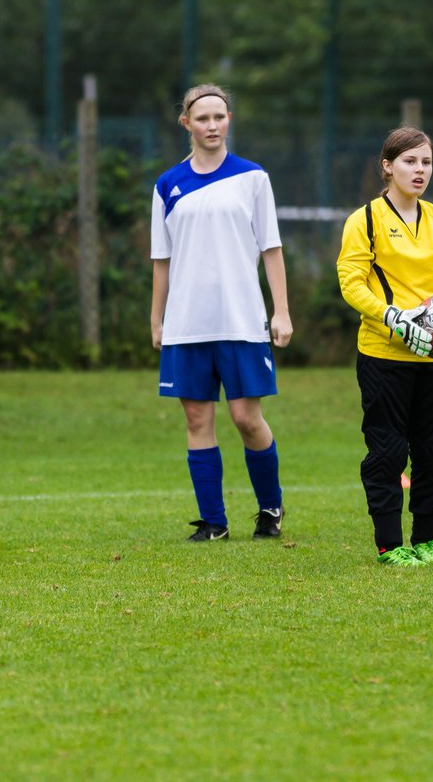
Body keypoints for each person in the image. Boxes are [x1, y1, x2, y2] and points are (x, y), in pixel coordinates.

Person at [150, 83, 293, 542]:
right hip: (187, 323)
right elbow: (162, 260)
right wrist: (158, 320)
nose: (212, 125)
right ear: (186, 123)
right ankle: (214, 522)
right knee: (196, 420)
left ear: (229, 119)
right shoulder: (167, 185)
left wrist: (281, 312)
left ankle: (270, 509)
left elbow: (271, 249)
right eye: (203, 118)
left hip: (241, 319)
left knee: (246, 418)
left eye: (220, 116)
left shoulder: (253, 178)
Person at [336, 127, 433, 566]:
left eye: (426, 163)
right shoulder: (364, 221)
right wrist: (391, 316)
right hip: (385, 354)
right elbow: (351, 282)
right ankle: (389, 545)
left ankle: (425, 540)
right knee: (387, 451)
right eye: (410, 162)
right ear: (387, 166)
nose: (420, 171)